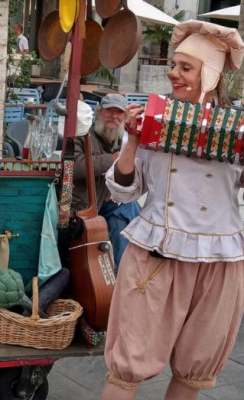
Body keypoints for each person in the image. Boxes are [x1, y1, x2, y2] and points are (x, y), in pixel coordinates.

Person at [101, 20, 244, 400]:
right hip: (157, 252)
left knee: (195, 366)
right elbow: (124, 192)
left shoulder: (239, 125)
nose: (173, 74)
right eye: (173, 65)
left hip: (218, 258)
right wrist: (131, 141)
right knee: (126, 366)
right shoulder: (154, 119)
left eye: (185, 67)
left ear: (210, 75)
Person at [72, 95, 140, 271]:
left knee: (125, 210)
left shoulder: (123, 141)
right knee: (130, 209)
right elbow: (75, 167)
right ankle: (128, 274)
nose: (113, 116)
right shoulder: (82, 134)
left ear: (125, 119)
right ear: (98, 112)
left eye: (119, 113)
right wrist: (112, 160)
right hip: (82, 206)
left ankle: (122, 276)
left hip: (107, 204)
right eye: (109, 110)